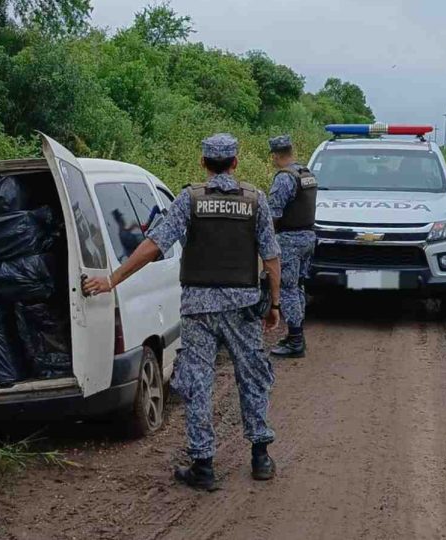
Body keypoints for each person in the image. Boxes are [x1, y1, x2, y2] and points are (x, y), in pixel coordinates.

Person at [83, 134, 282, 491]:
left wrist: (112, 280)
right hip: (242, 308)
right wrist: (276, 304)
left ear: (204, 164)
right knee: (251, 378)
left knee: (198, 382)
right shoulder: (256, 201)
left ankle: (203, 465)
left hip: (198, 311)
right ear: (235, 163)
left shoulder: (189, 201)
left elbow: (152, 246)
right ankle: (261, 457)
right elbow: (271, 257)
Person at [267, 135, 317, 358]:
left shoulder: (284, 178)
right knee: (297, 287)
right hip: (308, 237)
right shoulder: (306, 174)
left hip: (290, 240)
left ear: (276, 155)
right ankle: (296, 335)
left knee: (287, 289)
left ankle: (295, 340)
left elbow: (273, 214)